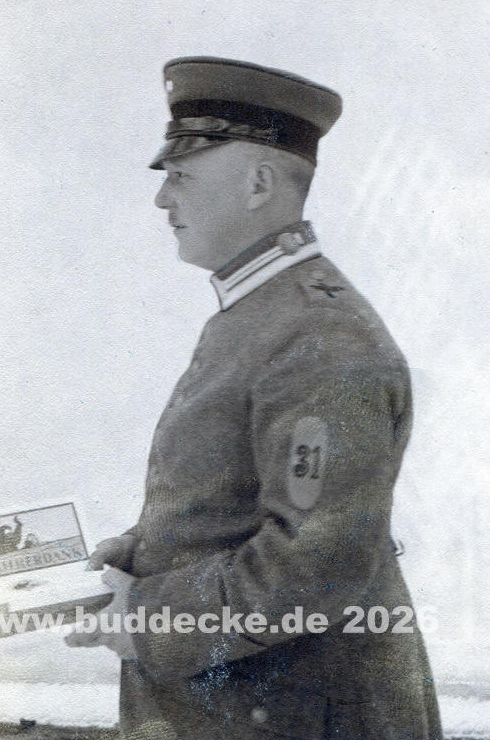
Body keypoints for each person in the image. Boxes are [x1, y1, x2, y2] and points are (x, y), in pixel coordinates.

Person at [65, 57, 443, 740]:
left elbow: (315, 564)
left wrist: (145, 616)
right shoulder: (264, 313)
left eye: (181, 176)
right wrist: (134, 557)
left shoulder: (319, 337)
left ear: (259, 184)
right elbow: (233, 503)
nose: (162, 200)